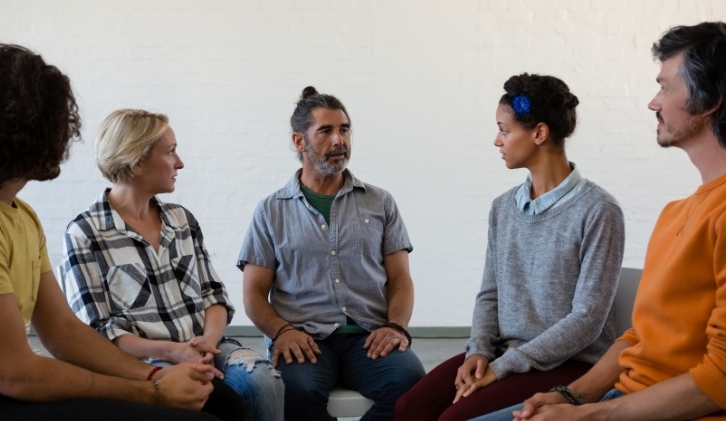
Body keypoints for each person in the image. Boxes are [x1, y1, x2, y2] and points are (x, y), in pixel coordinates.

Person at [0, 44, 221, 421]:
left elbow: (62, 332)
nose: (66, 131)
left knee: (225, 403)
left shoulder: (20, 215)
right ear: (27, 125)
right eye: (57, 117)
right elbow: (16, 375)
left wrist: (157, 374)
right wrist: (152, 391)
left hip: (2, 392)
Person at [472, 21, 726, 421]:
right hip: (617, 393)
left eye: (665, 87)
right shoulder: (675, 213)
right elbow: (636, 337)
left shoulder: (605, 210)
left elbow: (721, 378)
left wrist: (588, 414)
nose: (653, 102)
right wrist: (570, 397)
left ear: (710, 99)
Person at [394, 74, 625, 421]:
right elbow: (490, 293)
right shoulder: (503, 207)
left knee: (453, 418)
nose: (496, 141)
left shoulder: (599, 211)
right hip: (504, 355)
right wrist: (479, 351)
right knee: (410, 408)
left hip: (571, 363)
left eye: (504, 130)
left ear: (539, 134)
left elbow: (587, 320)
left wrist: (504, 367)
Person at [60, 109, 285, 421]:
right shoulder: (84, 233)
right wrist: (171, 351)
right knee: (203, 400)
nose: (180, 163)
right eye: (170, 152)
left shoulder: (181, 220)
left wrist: (208, 341)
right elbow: (98, 332)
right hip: (146, 360)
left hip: (208, 348)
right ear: (137, 160)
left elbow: (214, 295)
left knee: (263, 380)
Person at [237, 86, 426, 421]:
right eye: (325, 131)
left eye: (344, 129)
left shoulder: (379, 202)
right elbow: (253, 293)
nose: (339, 140)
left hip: (369, 338)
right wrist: (282, 332)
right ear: (299, 141)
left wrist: (396, 326)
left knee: (410, 384)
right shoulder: (270, 211)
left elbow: (400, 278)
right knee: (294, 391)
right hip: (302, 338)